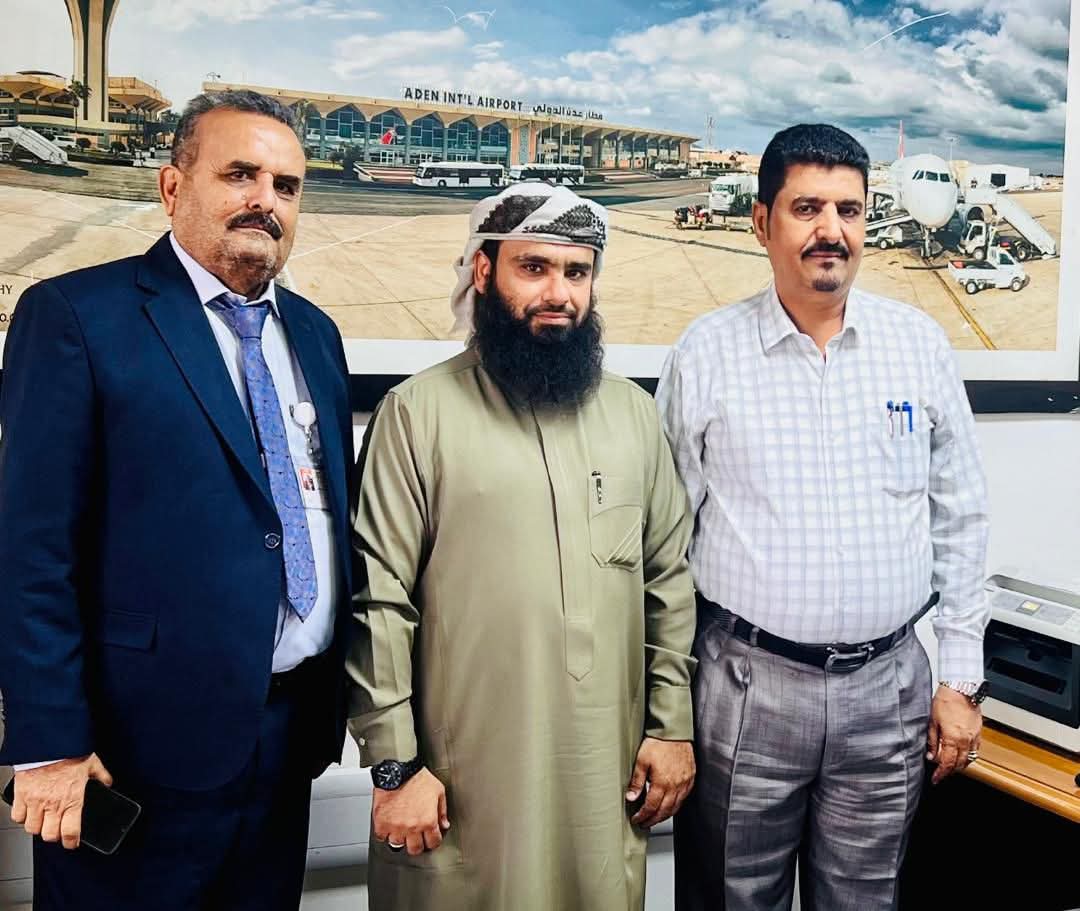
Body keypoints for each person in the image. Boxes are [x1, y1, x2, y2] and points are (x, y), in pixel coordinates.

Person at [0, 90, 355, 910]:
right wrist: (49, 742)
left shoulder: (316, 335)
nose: (266, 200)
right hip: (131, 755)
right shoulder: (79, 317)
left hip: (285, 743)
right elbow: (30, 549)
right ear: (172, 186)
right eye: (240, 174)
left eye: (287, 186)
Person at [659, 123, 990, 911]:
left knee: (866, 898)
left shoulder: (918, 345)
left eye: (849, 209)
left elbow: (963, 516)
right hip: (746, 687)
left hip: (890, 693)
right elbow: (662, 546)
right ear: (762, 221)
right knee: (734, 894)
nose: (830, 230)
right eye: (806, 207)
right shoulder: (706, 353)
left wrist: (960, 679)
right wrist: (663, 710)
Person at [348, 183, 698, 910]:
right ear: (483, 272)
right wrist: (394, 765)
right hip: (458, 781)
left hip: (601, 775)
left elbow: (667, 580)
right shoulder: (416, 414)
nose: (559, 294)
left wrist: (672, 728)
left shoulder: (633, 415)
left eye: (577, 272)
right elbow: (378, 600)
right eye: (533, 268)